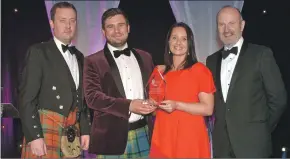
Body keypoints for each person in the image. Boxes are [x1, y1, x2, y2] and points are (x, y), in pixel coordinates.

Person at [206, 5, 287, 158]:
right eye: (221, 24)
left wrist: (260, 129)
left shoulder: (261, 54)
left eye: (231, 23)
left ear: (242, 25)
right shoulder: (211, 61)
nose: (226, 28)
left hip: (253, 146)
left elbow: (278, 99)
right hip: (222, 147)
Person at [19, 2, 90, 158]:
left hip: (73, 130)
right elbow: (26, 98)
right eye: (62, 20)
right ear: (52, 23)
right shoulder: (38, 52)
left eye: (72, 21)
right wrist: (34, 135)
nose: (68, 25)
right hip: (45, 128)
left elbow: (82, 100)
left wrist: (85, 130)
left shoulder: (80, 57)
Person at [83, 8, 156, 158]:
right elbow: (92, 98)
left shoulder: (146, 57)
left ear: (128, 28)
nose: (116, 30)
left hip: (144, 135)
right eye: (110, 26)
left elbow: (153, 89)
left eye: (121, 25)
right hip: (110, 139)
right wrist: (128, 105)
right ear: (103, 32)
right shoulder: (92, 61)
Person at [149, 22, 216, 158]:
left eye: (184, 39)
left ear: (190, 44)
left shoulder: (200, 70)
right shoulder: (159, 72)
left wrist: (177, 105)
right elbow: (155, 110)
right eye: (174, 38)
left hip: (189, 138)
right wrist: (149, 105)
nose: (178, 42)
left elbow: (208, 108)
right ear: (168, 42)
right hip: (163, 136)